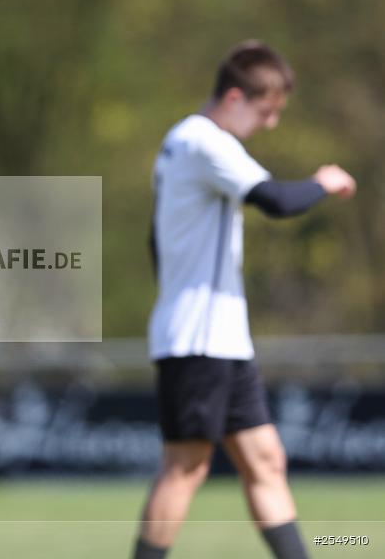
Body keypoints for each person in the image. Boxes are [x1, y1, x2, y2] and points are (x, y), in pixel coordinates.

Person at [134, 41, 356, 559]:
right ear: (234, 97)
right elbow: (276, 199)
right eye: (266, 111)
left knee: (265, 459)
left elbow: (155, 241)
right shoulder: (203, 141)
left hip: (222, 339)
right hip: (197, 338)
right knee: (185, 468)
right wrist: (323, 182)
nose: (271, 124)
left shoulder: (180, 142)